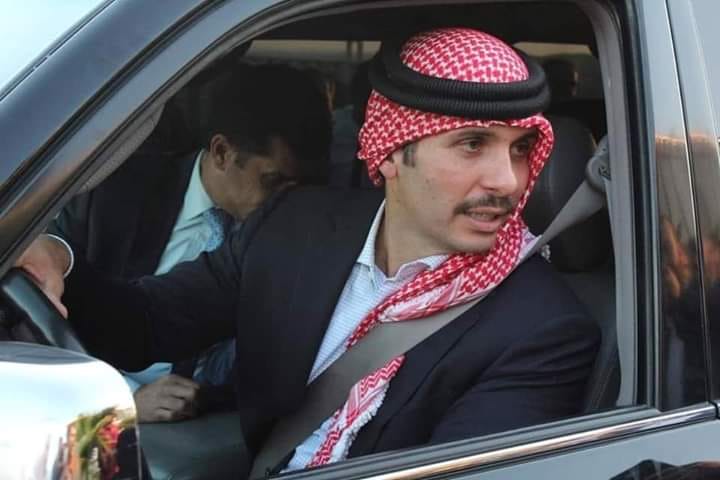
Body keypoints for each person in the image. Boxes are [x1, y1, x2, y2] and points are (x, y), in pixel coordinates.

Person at [18, 28, 599, 474]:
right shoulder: (295, 227)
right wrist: (56, 261)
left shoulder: (543, 328)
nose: (507, 180)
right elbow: (143, 324)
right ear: (391, 153)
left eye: (521, 148)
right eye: (472, 145)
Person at [46, 62, 333, 423]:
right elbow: (48, 322)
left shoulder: (304, 230)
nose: (284, 202)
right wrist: (123, 402)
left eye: (299, 188)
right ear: (222, 152)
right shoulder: (111, 196)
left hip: (223, 425)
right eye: (272, 182)